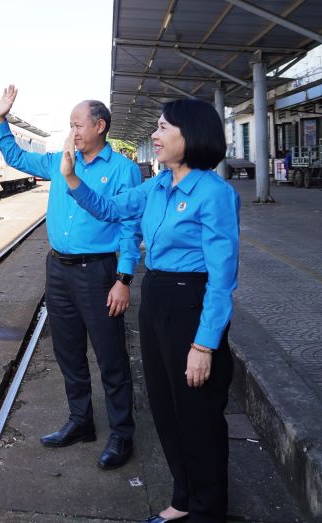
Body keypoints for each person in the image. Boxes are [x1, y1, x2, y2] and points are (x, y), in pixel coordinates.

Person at [60, 98, 239, 523]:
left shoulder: (215, 193)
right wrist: (71, 179)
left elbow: (222, 279)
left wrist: (204, 344)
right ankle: (183, 499)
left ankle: (208, 511)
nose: (154, 137)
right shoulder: (156, 186)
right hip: (157, 296)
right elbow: (109, 209)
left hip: (190, 304)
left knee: (199, 416)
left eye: (162, 129)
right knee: (165, 408)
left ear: (189, 135)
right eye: (155, 128)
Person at [0, 85, 142, 470]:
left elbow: (130, 228)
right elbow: (15, 156)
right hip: (58, 269)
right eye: (70, 125)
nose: (72, 132)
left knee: (110, 357)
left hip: (99, 273)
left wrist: (123, 279)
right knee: (68, 352)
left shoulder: (123, 169)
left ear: (100, 126)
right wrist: (0, 119)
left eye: (78, 125)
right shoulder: (59, 160)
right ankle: (80, 422)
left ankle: (121, 433)